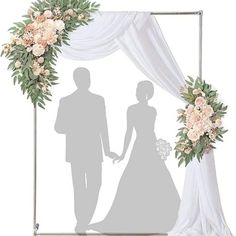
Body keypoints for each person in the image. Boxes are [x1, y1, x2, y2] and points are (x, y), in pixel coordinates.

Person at [89, 80, 180, 233]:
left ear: (145, 93)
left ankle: (154, 217)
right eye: (137, 90)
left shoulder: (150, 110)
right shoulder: (137, 110)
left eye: (138, 91)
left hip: (148, 145)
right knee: (138, 179)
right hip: (142, 146)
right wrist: (124, 153)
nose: (136, 93)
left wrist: (158, 147)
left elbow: (136, 132)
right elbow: (129, 132)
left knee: (154, 180)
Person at [54, 67, 118, 233]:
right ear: (77, 80)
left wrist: (107, 150)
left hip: (94, 151)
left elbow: (103, 126)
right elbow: (58, 127)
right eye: (84, 78)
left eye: (87, 78)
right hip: (77, 151)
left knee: (95, 185)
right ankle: (82, 221)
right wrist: (76, 125)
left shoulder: (98, 100)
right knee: (79, 188)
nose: (86, 81)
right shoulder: (66, 101)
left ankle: (83, 220)